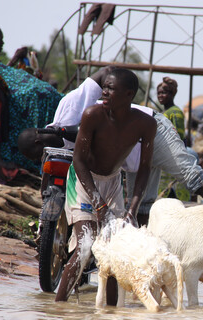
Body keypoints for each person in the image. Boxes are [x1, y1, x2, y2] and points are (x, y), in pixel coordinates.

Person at [19, 66, 203, 226]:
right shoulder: (59, 153)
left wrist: (114, 97)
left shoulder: (69, 110)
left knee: (191, 177)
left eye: (35, 155)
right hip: (130, 156)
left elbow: (107, 71)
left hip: (151, 132)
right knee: (139, 210)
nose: (38, 159)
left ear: (38, 140)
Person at [55, 68, 156, 303]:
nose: (105, 91)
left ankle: (109, 317)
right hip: (83, 179)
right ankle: (58, 309)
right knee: (85, 247)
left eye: (111, 88)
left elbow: (144, 169)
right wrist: (98, 203)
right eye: (105, 87)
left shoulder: (145, 124)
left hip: (112, 182)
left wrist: (132, 208)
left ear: (129, 94)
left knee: (114, 252)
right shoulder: (93, 115)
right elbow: (78, 160)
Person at [0, 24, 63, 174]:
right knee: (35, 95)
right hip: (9, 94)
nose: (3, 43)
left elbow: (5, 73)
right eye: (1, 39)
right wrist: (15, 58)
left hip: (11, 90)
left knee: (46, 91)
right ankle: (26, 154)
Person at [157, 76, 186, 141]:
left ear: (171, 94)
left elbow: (179, 137)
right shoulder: (162, 112)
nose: (160, 96)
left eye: (163, 93)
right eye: (158, 93)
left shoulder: (175, 111)